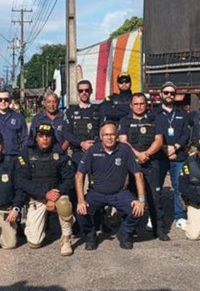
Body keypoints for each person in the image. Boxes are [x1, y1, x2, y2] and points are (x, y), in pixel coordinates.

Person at [75, 121, 146, 250]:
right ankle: (91, 235)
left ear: (117, 136)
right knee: (80, 212)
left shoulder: (125, 149)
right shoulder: (93, 150)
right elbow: (79, 175)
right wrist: (81, 200)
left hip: (119, 193)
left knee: (138, 210)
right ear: (101, 136)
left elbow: (138, 175)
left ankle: (124, 234)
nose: (109, 137)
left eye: (112, 134)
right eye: (106, 134)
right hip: (97, 193)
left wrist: (141, 200)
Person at [18, 123, 76, 256]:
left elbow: (69, 178)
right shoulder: (26, 153)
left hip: (56, 195)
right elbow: (22, 181)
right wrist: (45, 194)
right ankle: (32, 224)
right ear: (36, 138)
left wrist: (57, 193)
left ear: (52, 137)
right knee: (34, 243)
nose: (45, 139)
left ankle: (66, 238)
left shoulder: (59, 153)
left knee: (64, 204)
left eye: (48, 136)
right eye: (41, 136)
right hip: (38, 197)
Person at [118, 93, 169, 241]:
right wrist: (137, 155)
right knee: (130, 197)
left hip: (151, 162)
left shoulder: (156, 119)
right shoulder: (124, 121)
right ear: (131, 105)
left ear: (146, 105)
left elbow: (159, 141)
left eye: (142, 103)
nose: (139, 106)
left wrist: (146, 154)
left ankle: (158, 230)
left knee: (154, 197)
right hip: (130, 164)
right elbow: (123, 141)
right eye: (136, 104)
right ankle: (130, 228)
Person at [153, 82, 191, 230]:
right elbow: (151, 135)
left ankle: (180, 215)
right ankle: (154, 216)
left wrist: (174, 148)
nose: (169, 95)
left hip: (178, 156)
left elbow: (186, 134)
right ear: (161, 94)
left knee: (178, 187)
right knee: (155, 187)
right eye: (166, 93)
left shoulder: (182, 114)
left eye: (172, 93)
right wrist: (164, 148)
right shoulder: (153, 114)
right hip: (158, 156)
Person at [62, 80, 101, 165]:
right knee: (77, 177)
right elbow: (66, 133)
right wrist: (81, 143)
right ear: (78, 92)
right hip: (77, 152)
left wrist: (93, 145)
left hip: (96, 151)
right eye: (81, 91)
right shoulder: (70, 112)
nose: (84, 93)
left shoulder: (99, 110)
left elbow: (103, 130)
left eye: (86, 90)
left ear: (91, 91)